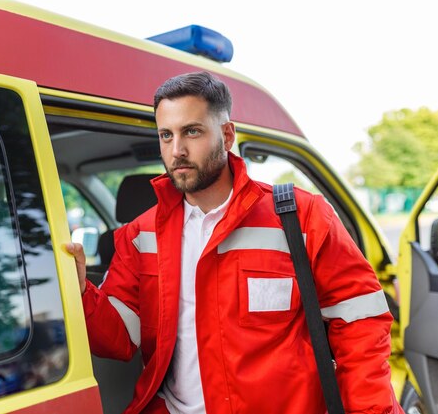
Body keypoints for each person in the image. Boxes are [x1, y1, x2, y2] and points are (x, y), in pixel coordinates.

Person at [66, 71, 403, 414]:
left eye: (191, 131)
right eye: (166, 135)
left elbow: (360, 327)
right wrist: (80, 292)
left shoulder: (303, 217)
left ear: (226, 135)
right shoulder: (141, 236)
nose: (177, 150)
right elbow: (121, 339)